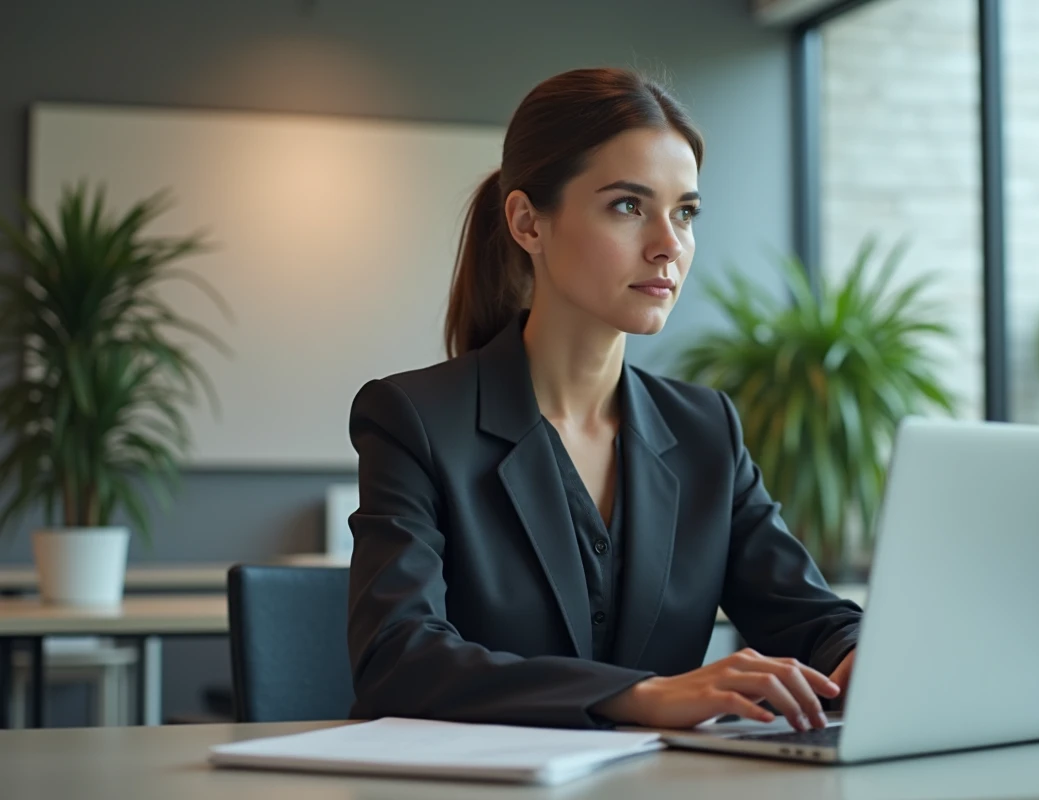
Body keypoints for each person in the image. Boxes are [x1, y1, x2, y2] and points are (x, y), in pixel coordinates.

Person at [347, 67, 862, 733]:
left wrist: (861, 654)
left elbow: (809, 617)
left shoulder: (706, 429)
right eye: (628, 206)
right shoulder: (415, 420)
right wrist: (641, 695)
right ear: (528, 223)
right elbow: (398, 658)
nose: (668, 245)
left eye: (685, 213)